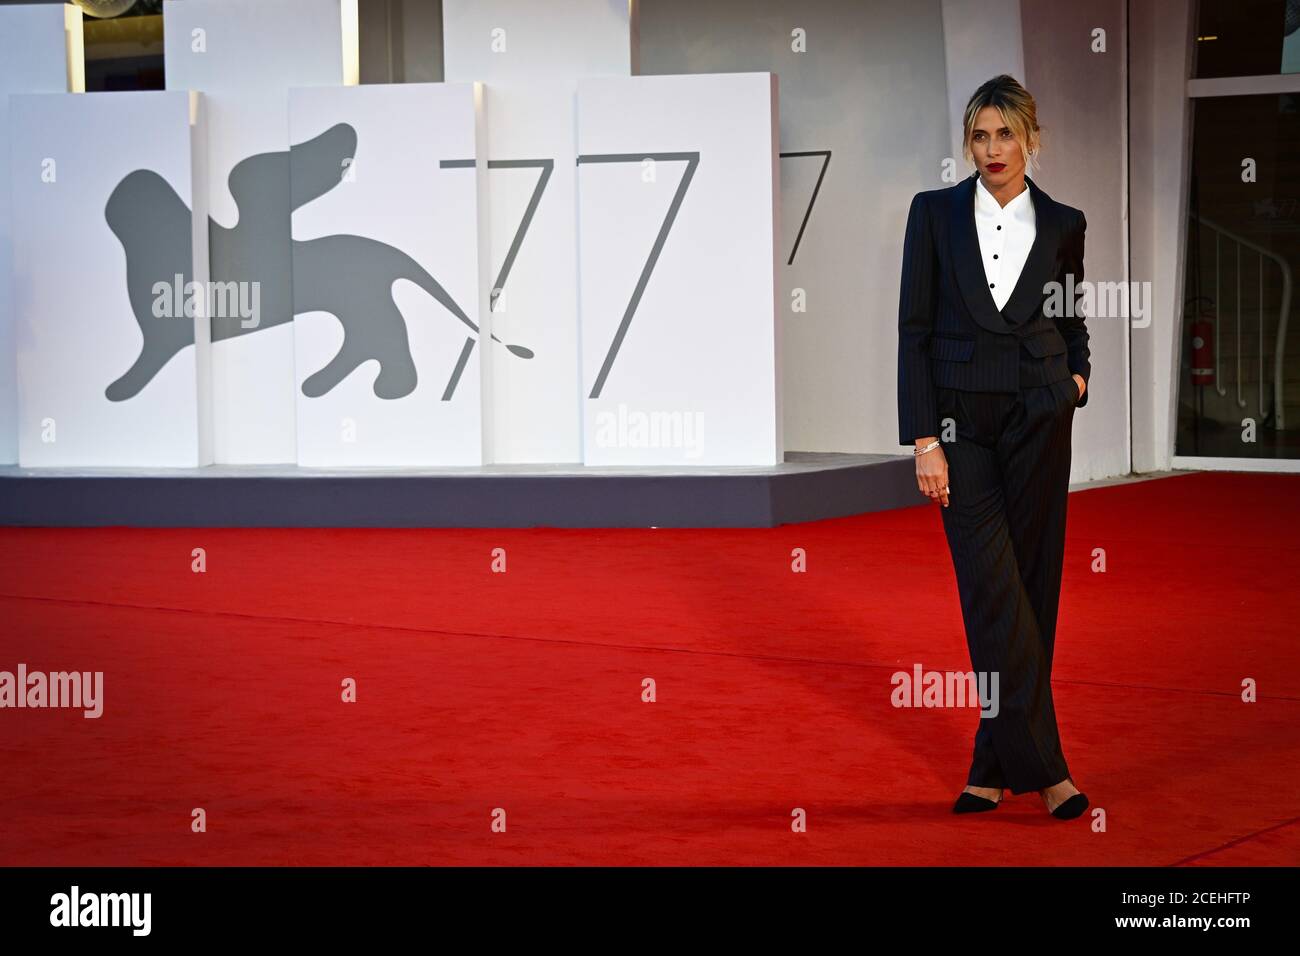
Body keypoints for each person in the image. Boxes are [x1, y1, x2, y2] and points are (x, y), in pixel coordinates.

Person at [896, 74, 1091, 820]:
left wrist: (1076, 381)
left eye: (1005, 133)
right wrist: (923, 441)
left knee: (1033, 591)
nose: (992, 149)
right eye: (979, 136)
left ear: (1030, 138)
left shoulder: (1066, 221)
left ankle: (989, 762)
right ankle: (1050, 772)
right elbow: (913, 331)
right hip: (960, 432)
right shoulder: (933, 214)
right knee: (992, 590)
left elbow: (1072, 319)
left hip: (1042, 416)